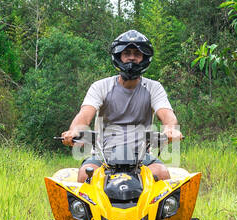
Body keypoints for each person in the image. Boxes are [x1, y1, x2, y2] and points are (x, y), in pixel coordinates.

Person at [60, 30, 184, 185]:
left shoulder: (154, 87)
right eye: (127, 53)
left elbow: (167, 114)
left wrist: (170, 129)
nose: (131, 57)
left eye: (137, 54)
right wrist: (75, 130)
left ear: (144, 58)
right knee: (86, 175)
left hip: (141, 156)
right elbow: (85, 115)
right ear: (119, 56)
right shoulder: (100, 86)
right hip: (103, 156)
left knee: (161, 174)